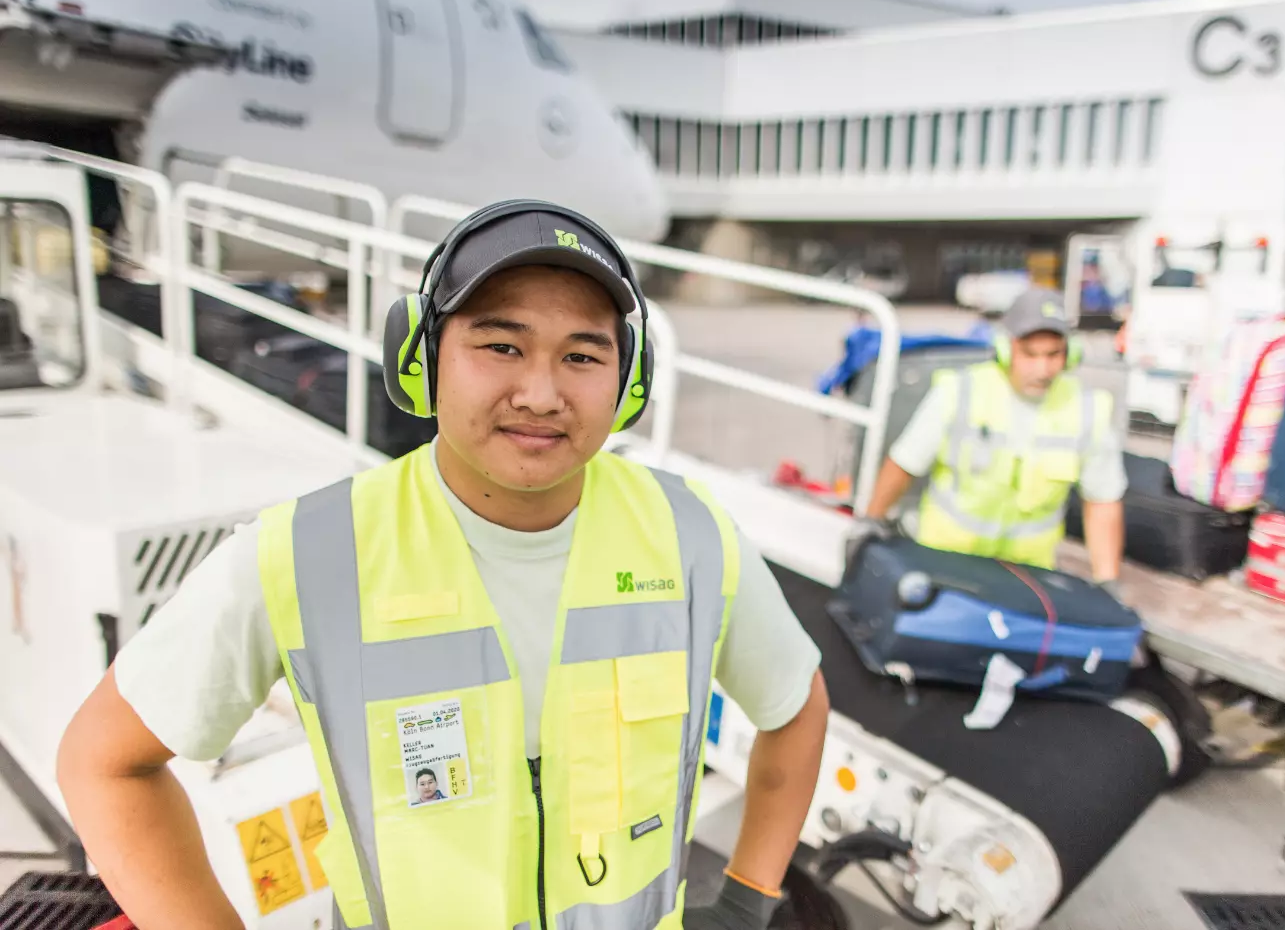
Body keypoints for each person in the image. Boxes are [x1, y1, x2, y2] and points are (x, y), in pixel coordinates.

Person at [57, 200, 829, 930]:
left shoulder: (691, 535)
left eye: (582, 355)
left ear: (628, 383)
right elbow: (104, 763)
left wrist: (748, 899)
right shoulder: (308, 553)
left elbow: (796, 707)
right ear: (420, 357)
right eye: (501, 345)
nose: (540, 392)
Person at [852, 286, 1126, 592]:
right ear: (1006, 348)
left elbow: (1102, 501)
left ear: (1070, 353)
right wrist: (870, 520)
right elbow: (904, 463)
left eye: (1053, 354)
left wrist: (1107, 580)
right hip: (944, 563)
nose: (1043, 368)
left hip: (1026, 577)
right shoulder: (961, 392)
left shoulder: (1087, 411)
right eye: (1030, 354)